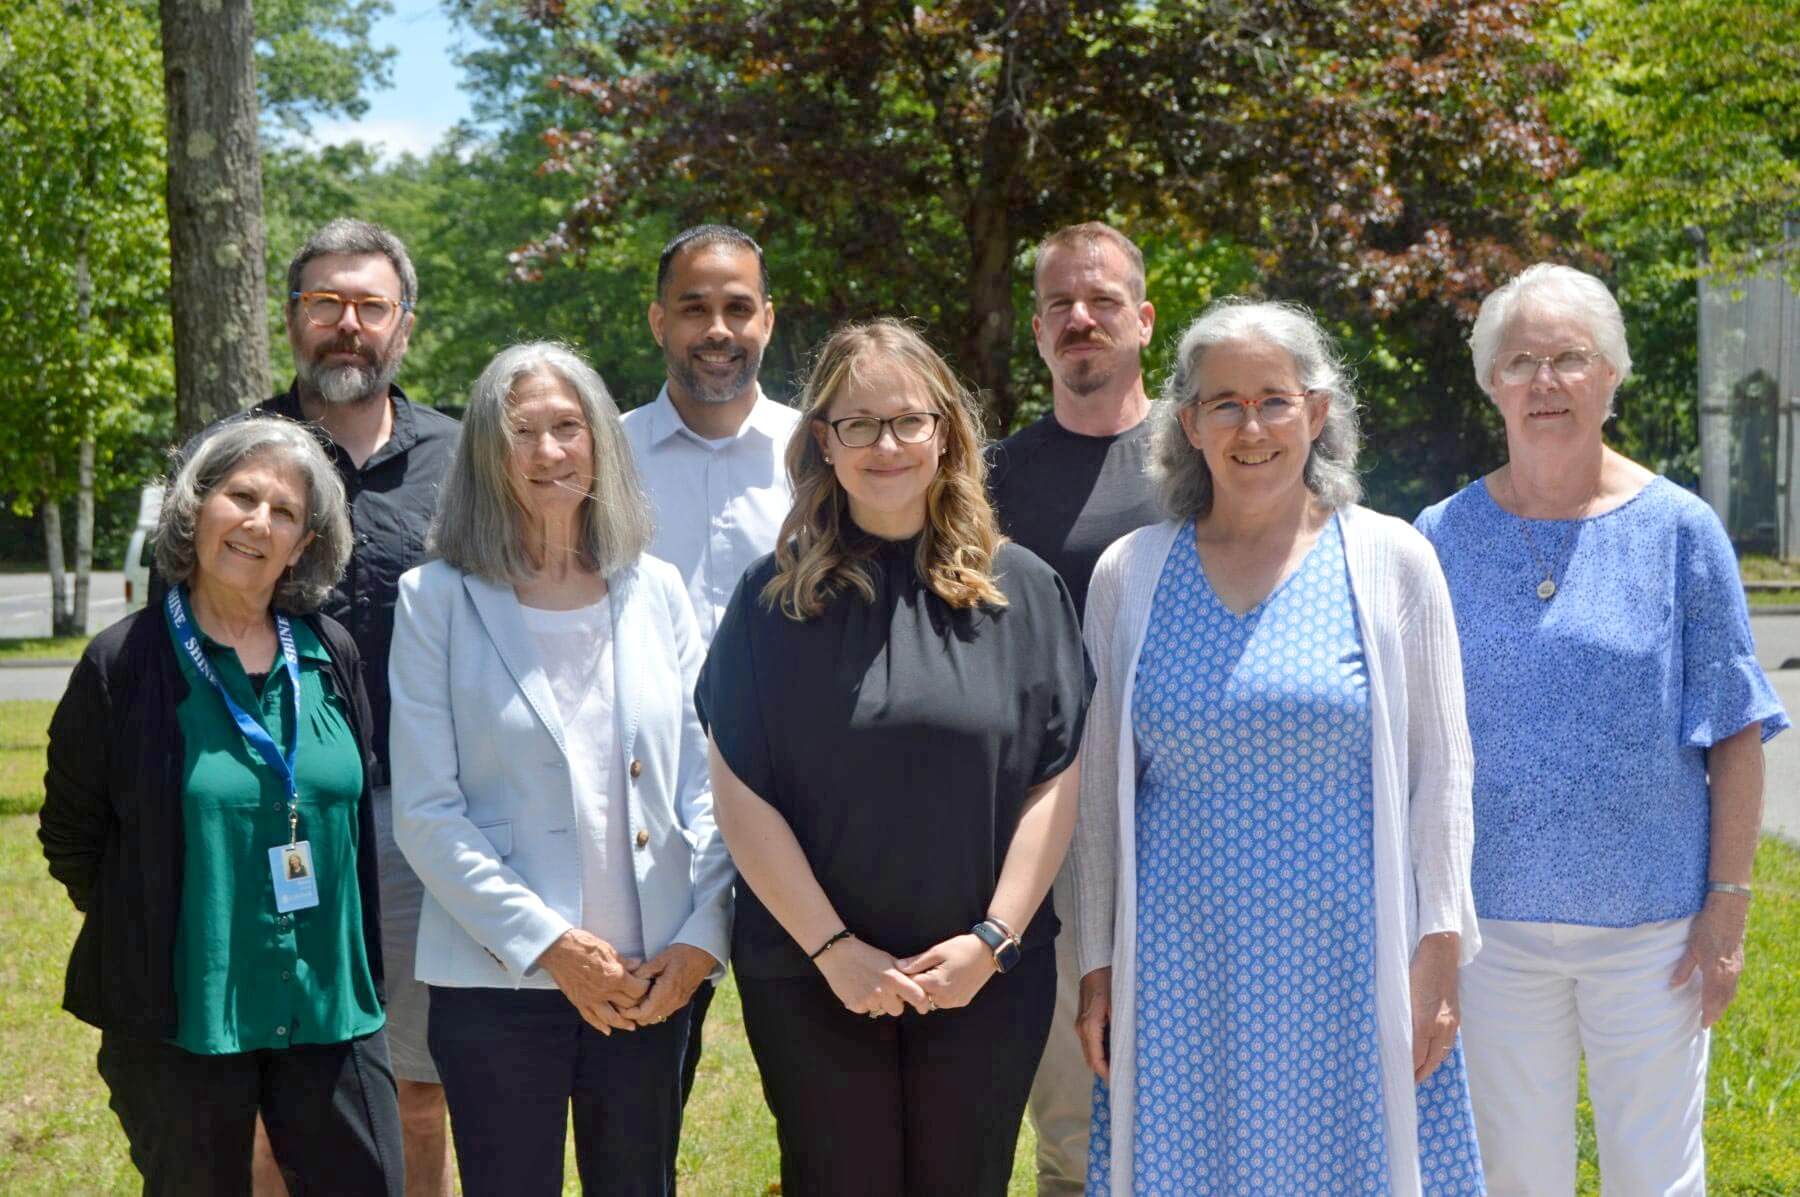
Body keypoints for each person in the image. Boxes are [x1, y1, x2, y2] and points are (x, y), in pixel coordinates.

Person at [1072, 299, 1485, 1195]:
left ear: (1318, 413)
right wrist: (1098, 969)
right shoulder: (1131, 572)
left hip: (1352, 960)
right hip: (1182, 966)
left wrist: (1439, 951)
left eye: (1274, 399)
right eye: (1223, 403)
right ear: (1186, 423)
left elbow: (1442, 773)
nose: (1250, 426)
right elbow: (1101, 791)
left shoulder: (1392, 558)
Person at [1414, 263, 1789, 1195]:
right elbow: (1413, 742)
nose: (1546, 382)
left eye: (1571, 358)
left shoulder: (1680, 530)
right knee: (1512, 1175)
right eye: (1522, 360)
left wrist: (1727, 909)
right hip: (1491, 929)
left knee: (1655, 1174)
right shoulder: (1439, 535)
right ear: (1491, 381)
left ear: (1611, 376)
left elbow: (1735, 732)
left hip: (1652, 935)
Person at [695, 319, 1091, 1196]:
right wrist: (836, 949)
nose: (886, 444)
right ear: (823, 445)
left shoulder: (1022, 590)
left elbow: (1056, 781)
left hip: (985, 980)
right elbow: (741, 795)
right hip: (811, 977)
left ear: (945, 433)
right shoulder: (770, 602)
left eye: (908, 420)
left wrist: (991, 942)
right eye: (857, 423)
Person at [388, 342, 731, 1197]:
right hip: (500, 977)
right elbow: (427, 811)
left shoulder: (655, 589)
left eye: (568, 428)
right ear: (485, 452)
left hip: (650, 979)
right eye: (522, 431)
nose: (548, 453)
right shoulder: (434, 599)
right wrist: (550, 944)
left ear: (600, 443)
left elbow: (710, 782)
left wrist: (699, 941)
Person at [170, 218, 460, 1197]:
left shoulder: (462, 463)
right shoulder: (231, 460)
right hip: (271, 817)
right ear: (292, 317)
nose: (348, 325)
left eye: (370, 306)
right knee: (276, 1085)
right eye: (325, 304)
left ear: (404, 327)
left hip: (423, 821)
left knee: (420, 1083)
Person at [40, 418, 402, 1196]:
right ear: (196, 506)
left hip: (330, 1003)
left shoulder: (331, 651)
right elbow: (72, 835)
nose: (257, 523)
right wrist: (159, 916)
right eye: (240, 496)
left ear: (305, 543)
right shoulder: (123, 662)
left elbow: (347, 806)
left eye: (284, 511)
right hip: (185, 1015)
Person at [986, 221, 1164, 1196]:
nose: (1079, 318)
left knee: (1203, 1098)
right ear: (1040, 330)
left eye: (1100, 301)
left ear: (1142, 317)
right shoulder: (990, 479)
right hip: (1048, 832)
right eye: (1058, 304)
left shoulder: (1205, 458)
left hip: (1193, 824)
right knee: (1074, 1123)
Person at [620, 224, 798, 1114]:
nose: (717, 328)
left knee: (823, 1103)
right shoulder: (602, 462)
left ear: (768, 319)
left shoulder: (824, 457)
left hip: (801, 814)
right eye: (694, 307)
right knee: (642, 1109)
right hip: (649, 811)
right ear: (658, 320)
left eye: (737, 307)